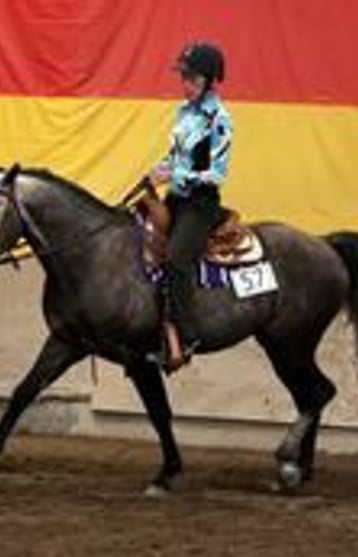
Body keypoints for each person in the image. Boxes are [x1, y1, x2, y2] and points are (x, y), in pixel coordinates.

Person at [148, 42, 234, 370]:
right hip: (176, 198)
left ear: (210, 81)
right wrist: (159, 171)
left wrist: (176, 174)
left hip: (200, 206)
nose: (185, 85)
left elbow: (216, 174)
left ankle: (187, 336)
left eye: (192, 79)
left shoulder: (220, 120)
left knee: (177, 260)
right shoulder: (183, 113)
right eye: (183, 78)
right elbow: (174, 156)